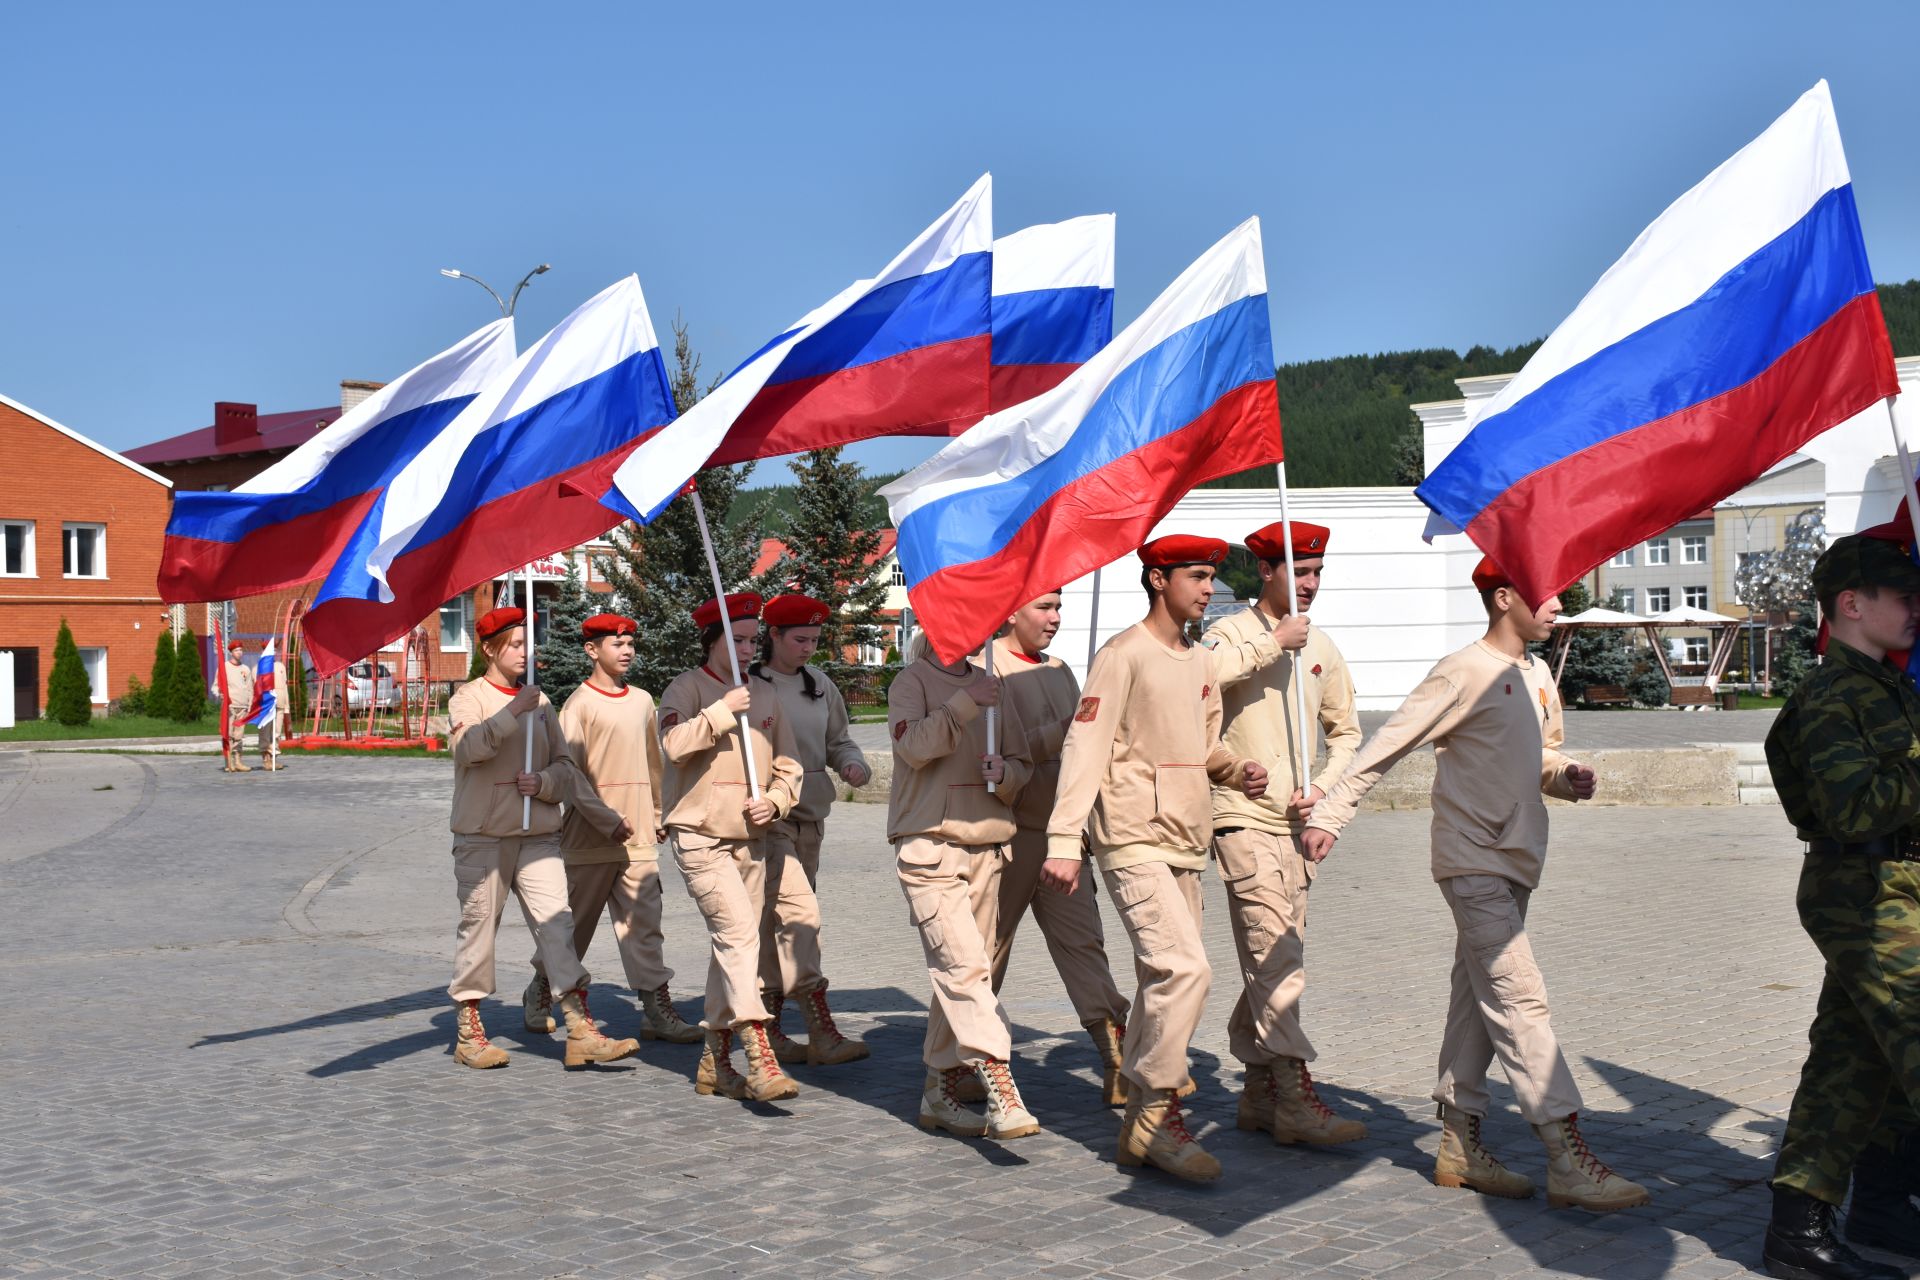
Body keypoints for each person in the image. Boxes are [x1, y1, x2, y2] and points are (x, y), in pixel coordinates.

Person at [1302, 556, 1649, 1213]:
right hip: (1472, 861)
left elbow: (1539, 753)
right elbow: (1389, 743)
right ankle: (1566, 1155)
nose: (1558, 605)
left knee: (1478, 1002)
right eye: (1548, 594)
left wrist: (1566, 775)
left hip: (1518, 858)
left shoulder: (1538, 672)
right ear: (1503, 597)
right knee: (1521, 999)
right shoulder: (1462, 671)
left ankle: (1459, 1145)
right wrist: (1330, 813)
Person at [1047, 535, 1269, 1183]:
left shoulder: (1199, 660)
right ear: (1156, 580)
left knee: (1159, 981)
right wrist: (1065, 841)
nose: (1208, 589)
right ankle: (1156, 1116)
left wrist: (1236, 770)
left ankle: (1139, 1125)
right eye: (1197, 577)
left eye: (1211, 578)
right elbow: (1083, 748)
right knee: (1185, 968)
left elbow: (1203, 746)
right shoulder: (1121, 655)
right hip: (1130, 837)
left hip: (1185, 840)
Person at [1759, 534, 1920, 1280]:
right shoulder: (1831, 696)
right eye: (1902, 597)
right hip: (1865, 894)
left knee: (1853, 1065)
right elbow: (1854, 809)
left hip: (1897, 889)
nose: (1916, 610)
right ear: (1852, 605)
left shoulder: (1890, 687)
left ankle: (1822, 1225)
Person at [1200, 520, 1367, 1146]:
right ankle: (1295, 1093)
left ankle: (1258, 1090)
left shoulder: (1322, 644)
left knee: (1275, 956)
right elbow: (1200, 682)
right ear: (1265, 572)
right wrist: (1274, 642)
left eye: (1318, 573)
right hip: (1239, 817)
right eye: (1300, 572)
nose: (1311, 584)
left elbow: (1347, 733)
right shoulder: (1228, 634)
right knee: (1279, 955)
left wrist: (1323, 791)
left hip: (1297, 825)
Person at [445, 606, 640, 1071]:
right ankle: (469, 1032)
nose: (523, 652)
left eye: (524, 643)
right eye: (513, 644)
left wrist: (545, 784)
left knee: (558, 926)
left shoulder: (543, 702)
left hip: (538, 837)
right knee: (479, 931)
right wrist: (513, 711)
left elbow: (565, 768)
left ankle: (579, 1028)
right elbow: (468, 750)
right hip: (484, 838)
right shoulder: (467, 698)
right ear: (490, 649)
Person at [521, 613, 703, 1048]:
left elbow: (653, 762)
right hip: (589, 839)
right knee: (573, 930)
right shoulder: (578, 706)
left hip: (638, 836)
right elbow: (570, 777)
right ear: (592, 650)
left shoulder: (642, 701)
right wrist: (606, 819)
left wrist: (658, 811)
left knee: (644, 927)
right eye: (616, 644)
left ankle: (656, 1009)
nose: (627, 651)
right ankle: (540, 990)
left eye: (630, 644)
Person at [981, 590, 1132, 1107]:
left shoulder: (1065, 668)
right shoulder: (988, 666)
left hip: (1063, 835)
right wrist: (1066, 733)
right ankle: (962, 1059)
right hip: (1008, 834)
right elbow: (996, 748)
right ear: (1011, 610)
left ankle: (1116, 1057)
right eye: (1044, 607)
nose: (1055, 618)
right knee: (985, 952)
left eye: (1059, 606)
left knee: (1084, 945)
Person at [889, 630, 1040, 1141]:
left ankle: (939, 1090)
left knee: (959, 976)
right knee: (965, 967)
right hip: (929, 845)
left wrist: (1009, 773)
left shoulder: (993, 685)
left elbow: (1023, 763)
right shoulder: (911, 682)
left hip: (989, 846)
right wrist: (962, 705)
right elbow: (912, 748)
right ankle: (999, 1080)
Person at [659, 592, 806, 1104]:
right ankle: (757, 1050)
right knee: (741, 937)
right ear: (712, 640)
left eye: (752, 640)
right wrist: (721, 711)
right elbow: (673, 747)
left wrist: (777, 800)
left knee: (733, 949)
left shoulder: (766, 694)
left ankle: (713, 1063)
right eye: (737, 640)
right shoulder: (686, 688)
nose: (748, 649)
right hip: (700, 838)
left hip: (754, 840)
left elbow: (791, 764)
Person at [750, 593, 872, 1067]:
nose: (808, 648)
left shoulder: (820, 685)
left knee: (782, 924)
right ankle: (819, 1026)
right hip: (769, 822)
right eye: (799, 639)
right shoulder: (752, 687)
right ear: (773, 636)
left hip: (812, 820)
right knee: (797, 919)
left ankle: (772, 1026)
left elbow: (839, 740)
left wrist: (852, 764)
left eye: (815, 640)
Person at [222, 639, 254, 773]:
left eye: (241, 650)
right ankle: (229, 762)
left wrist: (250, 704)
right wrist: (220, 694)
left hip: (243, 707)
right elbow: (217, 686)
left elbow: (250, 688)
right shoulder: (224, 667)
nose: (239, 652)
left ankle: (238, 761)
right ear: (231, 653)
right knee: (228, 734)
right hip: (230, 707)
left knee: (239, 736)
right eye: (236, 650)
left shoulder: (245, 669)